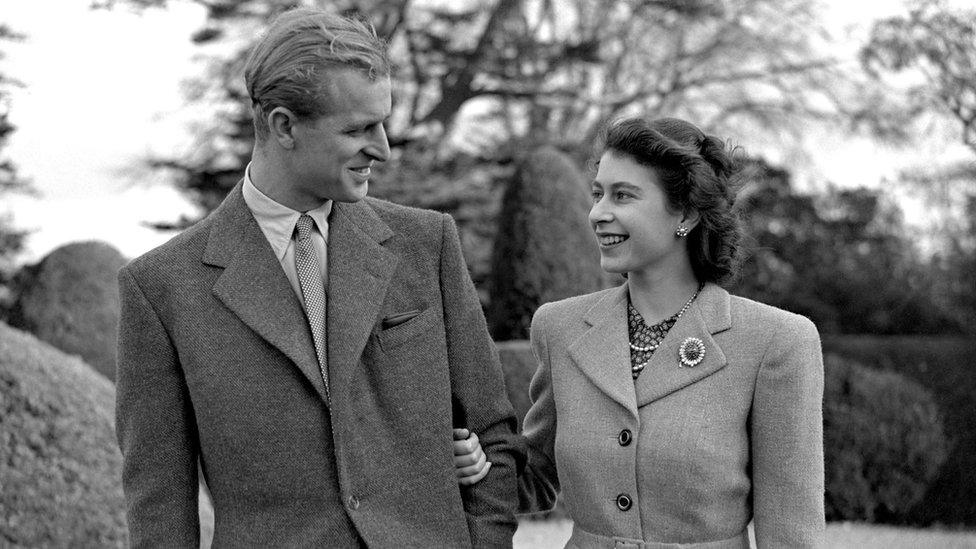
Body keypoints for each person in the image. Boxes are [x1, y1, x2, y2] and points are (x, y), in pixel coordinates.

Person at [115, 7, 523, 547]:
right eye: (357, 129)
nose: (381, 147)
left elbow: (495, 439)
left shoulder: (427, 245)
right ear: (284, 125)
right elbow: (159, 509)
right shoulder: (163, 288)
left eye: (382, 123)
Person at [454, 117, 825, 547]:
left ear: (685, 212)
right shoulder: (559, 328)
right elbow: (537, 476)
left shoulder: (776, 342)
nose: (598, 214)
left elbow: (791, 533)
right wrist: (482, 466)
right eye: (597, 194)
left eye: (623, 196)